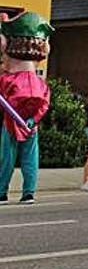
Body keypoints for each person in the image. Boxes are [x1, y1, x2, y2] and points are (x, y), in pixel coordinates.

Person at [0, 12, 53, 205]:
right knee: (28, 158)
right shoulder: (39, 83)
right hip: (28, 123)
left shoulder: (7, 79)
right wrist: (34, 119)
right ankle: (27, 192)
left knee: (7, 157)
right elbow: (44, 102)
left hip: (13, 122)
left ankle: (3, 192)